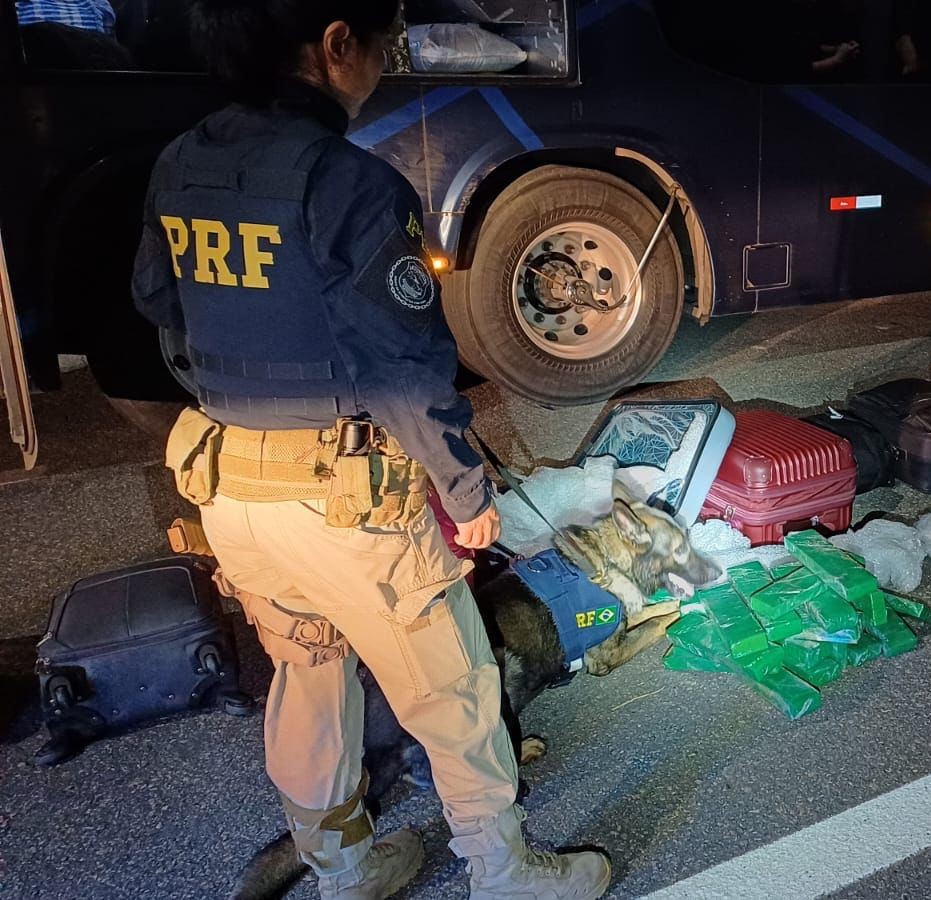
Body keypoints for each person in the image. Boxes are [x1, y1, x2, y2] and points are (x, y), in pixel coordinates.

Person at [128, 2, 610, 898]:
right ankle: (506, 875)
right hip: (344, 505)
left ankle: (345, 873)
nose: (386, 63)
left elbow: (162, 312)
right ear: (334, 43)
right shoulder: (346, 182)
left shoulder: (182, 160)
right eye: (382, 45)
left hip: (233, 493)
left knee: (308, 683)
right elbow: (404, 368)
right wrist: (467, 495)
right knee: (453, 689)